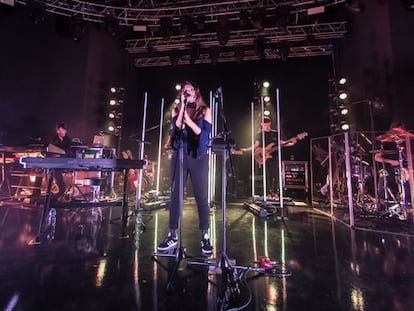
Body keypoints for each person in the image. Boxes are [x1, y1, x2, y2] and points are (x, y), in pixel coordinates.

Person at [157, 81, 213, 255]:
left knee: (201, 196)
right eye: (184, 91)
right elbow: (178, 127)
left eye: (189, 90)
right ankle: (172, 234)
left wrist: (188, 119)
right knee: (176, 196)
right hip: (180, 155)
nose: (187, 92)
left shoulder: (205, 111)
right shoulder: (176, 110)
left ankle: (204, 235)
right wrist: (182, 109)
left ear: (196, 93)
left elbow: (202, 134)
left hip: (198, 156)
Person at [241, 117, 297, 198]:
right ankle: (268, 192)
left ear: (270, 124)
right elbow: (256, 145)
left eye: (268, 125)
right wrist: (246, 149)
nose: (266, 127)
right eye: (265, 125)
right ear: (262, 125)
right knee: (267, 175)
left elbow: (281, 143)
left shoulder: (275, 133)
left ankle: (276, 192)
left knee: (276, 174)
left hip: (274, 156)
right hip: (265, 157)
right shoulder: (259, 134)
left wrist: (290, 143)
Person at [51, 123, 72, 198]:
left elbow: (68, 152)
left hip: (65, 161)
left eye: (62, 130)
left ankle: (62, 190)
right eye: (59, 130)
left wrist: (60, 155)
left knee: (56, 171)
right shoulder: (55, 139)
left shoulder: (68, 141)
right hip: (55, 161)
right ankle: (38, 191)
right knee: (40, 169)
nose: (60, 132)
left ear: (65, 131)